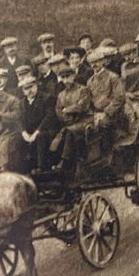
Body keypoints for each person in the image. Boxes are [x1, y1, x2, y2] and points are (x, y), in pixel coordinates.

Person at [52, 61, 95, 190]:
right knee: (60, 136)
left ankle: (64, 161)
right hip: (70, 123)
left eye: (68, 77)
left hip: (85, 121)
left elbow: (82, 106)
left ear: (73, 76)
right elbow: (58, 111)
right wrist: (67, 116)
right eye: (63, 78)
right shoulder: (61, 95)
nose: (66, 80)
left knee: (69, 132)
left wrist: (68, 110)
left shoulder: (83, 90)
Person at [86, 40, 127, 160]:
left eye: (97, 61)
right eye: (92, 63)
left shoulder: (113, 77)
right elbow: (88, 101)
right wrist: (93, 114)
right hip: (96, 114)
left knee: (103, 124)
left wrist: (105, 112)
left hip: (113, 114)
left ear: (103, 61)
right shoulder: (89, 82)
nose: (95, 65)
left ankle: (107, 157)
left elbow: (119, 98)